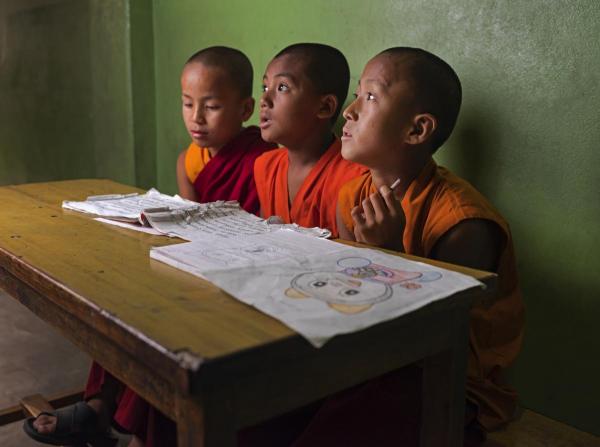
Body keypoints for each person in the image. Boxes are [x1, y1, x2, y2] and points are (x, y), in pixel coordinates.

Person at [24, 45, 275, 447]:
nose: (196, 117)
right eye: (187, 103)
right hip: (193, 259)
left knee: (168, 321)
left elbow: (256, 227)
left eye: (210, 106)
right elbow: (189, 222)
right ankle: (99, 403)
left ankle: (141, 429)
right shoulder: (189, 160)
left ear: (245, 108)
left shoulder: (261, 160)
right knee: (130, 296)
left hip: (232, 272)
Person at [294, 47, 523, 446]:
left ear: (416, 131)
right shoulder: (353, 196)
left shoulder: (463, 224)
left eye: (369, 97)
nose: (348, 112)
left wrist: (390, 252)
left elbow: (437, 337)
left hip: (449, 380)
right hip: (372, 352)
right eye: (356, 96)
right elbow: (351, 302)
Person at [254, 43, 367, 237]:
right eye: (265, 86)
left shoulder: (356, 179)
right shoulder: (265, 166)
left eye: (282, 87)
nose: (264, 98)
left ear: (325, 107)